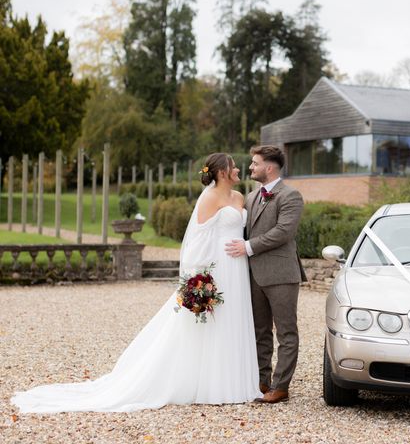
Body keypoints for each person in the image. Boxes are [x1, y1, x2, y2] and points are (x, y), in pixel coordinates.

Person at [11, 154, 261, 413]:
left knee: (233, 318)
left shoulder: (240, 197)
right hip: (217, 267)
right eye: (233, 166)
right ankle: (213, 385)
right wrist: (199, 277)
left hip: (238, 266)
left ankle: (235, 382)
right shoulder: (209, 198)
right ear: (222, 173)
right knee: (211, 324)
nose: (238, 169)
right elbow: (198, 238)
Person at [225, 145, 306, 404]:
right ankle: (262, 381)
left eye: (255, 163)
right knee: (260, 331)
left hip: (282, 274)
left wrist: (248, 247)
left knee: (286, 332)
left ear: (268, 168)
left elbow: (284, 232)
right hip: (254, 275)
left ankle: (281, 386)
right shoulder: (250, 197)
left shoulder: (291, 195)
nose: (250, 167)